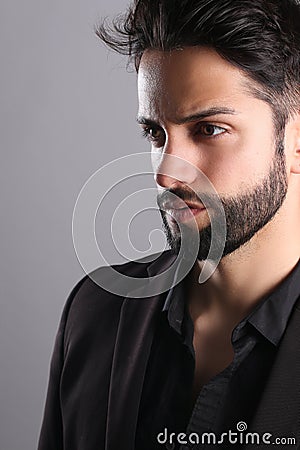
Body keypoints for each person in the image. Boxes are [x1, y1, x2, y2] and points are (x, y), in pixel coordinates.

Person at [38, 0, 300, 449]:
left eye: (208, 129)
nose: (165, 173)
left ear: (294, 141)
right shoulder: (95, 312)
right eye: (156, 134)